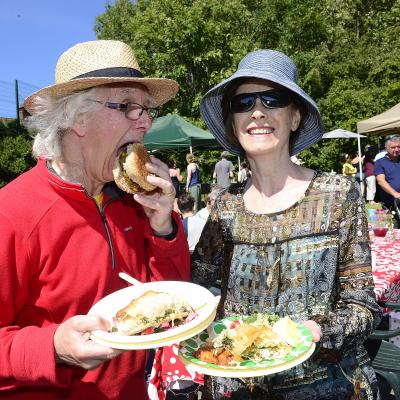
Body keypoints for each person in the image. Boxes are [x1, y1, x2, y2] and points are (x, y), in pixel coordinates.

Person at [0, 40, 190, 399]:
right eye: (129, 107)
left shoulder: (132, 202)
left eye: (147, 109)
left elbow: (171, 299)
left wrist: (164, 226)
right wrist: (52, 346)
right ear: (77, 117)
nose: (147, 121)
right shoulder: (12, 214)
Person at [195, 49, 382, 399]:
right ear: (233, 124)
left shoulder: (339, 194)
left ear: (295, 117)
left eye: (273, 99)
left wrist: (316, 332)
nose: (257, 111)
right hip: (235, 387)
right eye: (243, 102)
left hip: (326, 384)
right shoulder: (225, 205)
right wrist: (162, 226)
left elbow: (363, 306)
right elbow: (197, 292)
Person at [374, 134, 400, 227]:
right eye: (393, 147)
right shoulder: (380, 162)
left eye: (398, 147)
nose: (396, 149)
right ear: (387, 148)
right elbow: (381, 181)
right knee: (394, 229)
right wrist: (395, 193)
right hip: (390, 203)